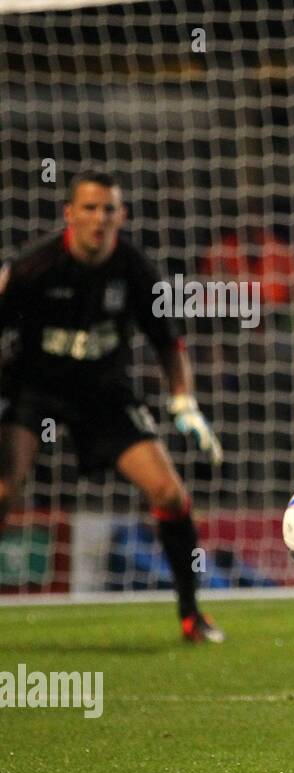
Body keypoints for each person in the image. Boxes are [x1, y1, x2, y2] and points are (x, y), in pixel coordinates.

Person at [0, 170, 226, 643]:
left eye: (109, 209)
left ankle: (192, 615)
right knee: (5, 489)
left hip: (104, 393)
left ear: (121, 215)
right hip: (33, 389)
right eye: (89, 208)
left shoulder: (136, 270)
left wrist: (183, 400)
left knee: (169, 493)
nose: (99, 218)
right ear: (69, 214)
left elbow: (169, 344)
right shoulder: (32, 268)